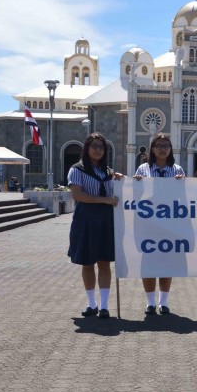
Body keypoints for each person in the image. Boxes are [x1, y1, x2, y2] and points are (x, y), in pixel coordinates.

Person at [67, 133, 122, 319]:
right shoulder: (77, 169)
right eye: (94, 146)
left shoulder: (109, 172)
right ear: (87, 148)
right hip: (86, 220)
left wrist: (129, 181)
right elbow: (77, 195)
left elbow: (121, 191)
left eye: (101, 147)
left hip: (106, 221)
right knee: (88, 262)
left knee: (105, 262)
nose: (98, 150)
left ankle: (105, 306)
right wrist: (104, 200)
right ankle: (92, 304)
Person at [133, 133, 186, 314]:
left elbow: (183, 198)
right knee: (148, 261)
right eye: (159, 145)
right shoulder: (142, 169)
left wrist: (181, 184)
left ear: (170, 149)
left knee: (166, 261)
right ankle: (150, 302)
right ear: (152, 149)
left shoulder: (177, 170)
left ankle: (163, 301)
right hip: (149, 223)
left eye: (166, 145)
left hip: (169, 223)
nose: (162, 149)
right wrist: (135, 184)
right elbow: (135, 197)